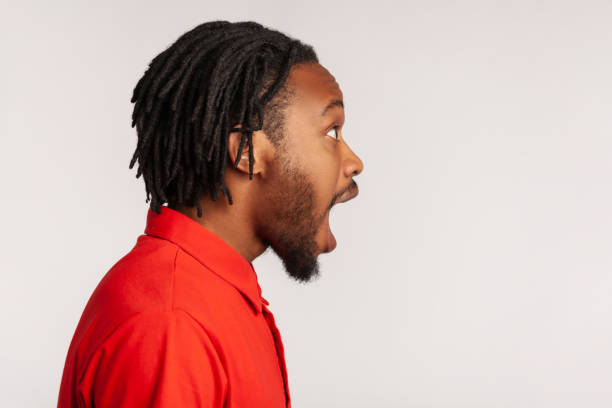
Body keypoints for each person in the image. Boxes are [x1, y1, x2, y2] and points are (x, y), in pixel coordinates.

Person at [57, 20, 364, 407]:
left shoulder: (212, 296)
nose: (353, 162)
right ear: (247, 153)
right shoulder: (172, 325)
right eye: (331, 132)